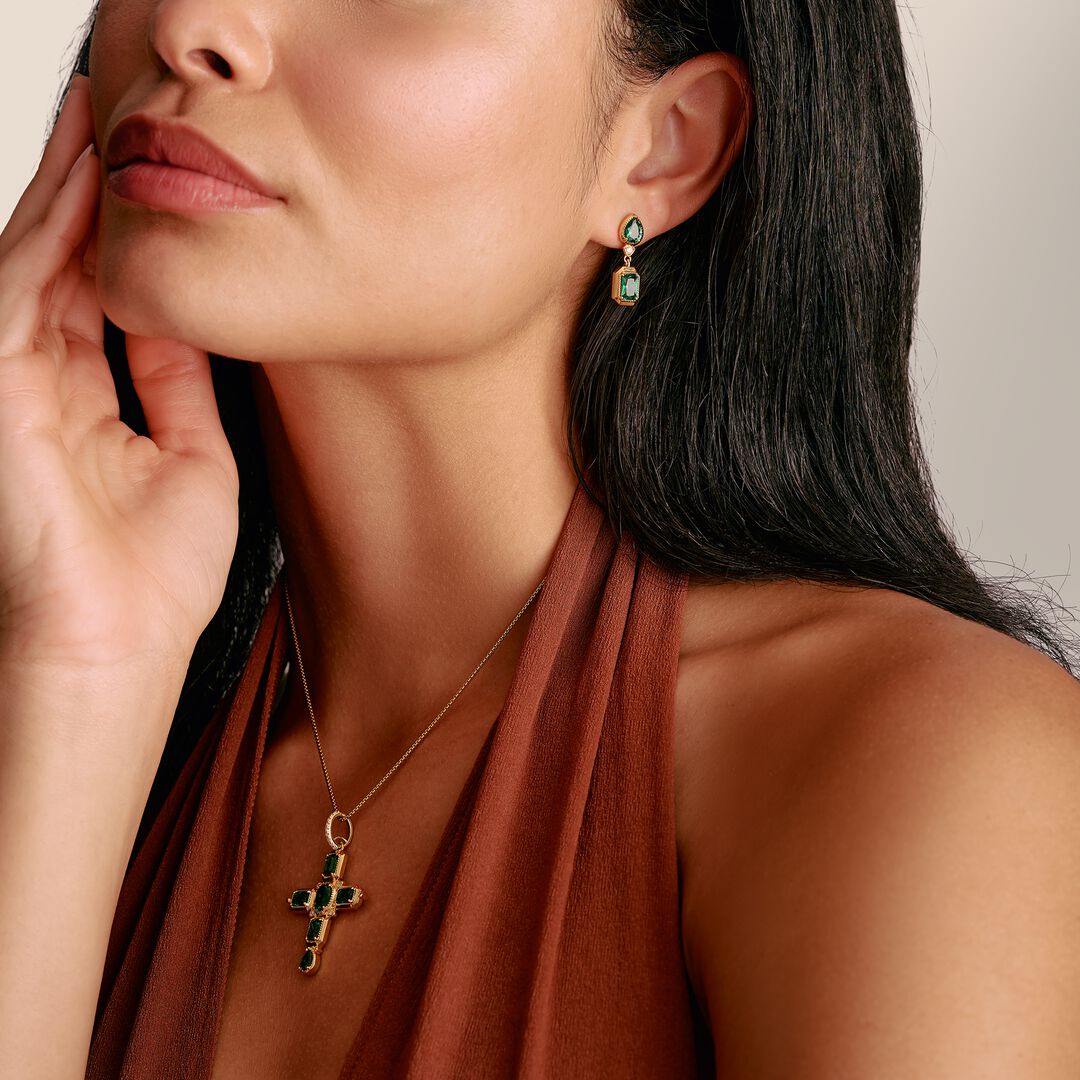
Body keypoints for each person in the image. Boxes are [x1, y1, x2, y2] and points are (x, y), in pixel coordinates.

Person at [2, 0, 1079, 1077]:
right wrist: (78, 672)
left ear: (663, 150)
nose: (194, 22)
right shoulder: (76, 704)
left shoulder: (925, 765)